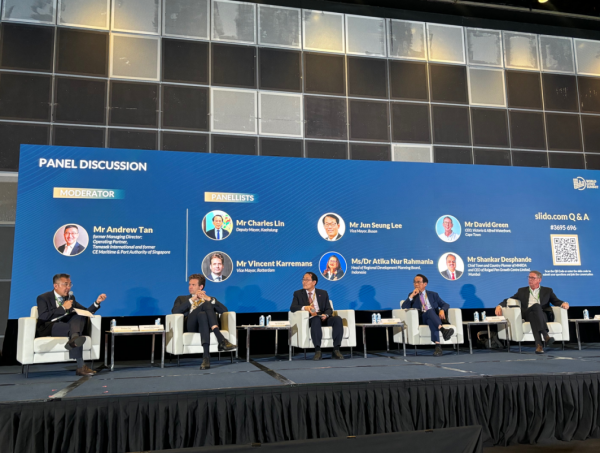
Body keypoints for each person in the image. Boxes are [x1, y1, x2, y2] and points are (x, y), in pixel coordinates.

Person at [36, 273, 106, 376]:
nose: (68, 287)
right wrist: (63, 308)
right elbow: (43, 316)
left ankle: (74, 339)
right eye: (65, 284)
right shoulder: (43, 298)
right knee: (75, 331)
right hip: (50, 326)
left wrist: (97, 302)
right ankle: (80, 366)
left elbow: (85, 312)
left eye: (70, 284)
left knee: (79, 315)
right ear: (56, 286)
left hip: (66, 326)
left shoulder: (70, 297)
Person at [495, 271, 569, 354]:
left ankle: (539, 345)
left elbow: (556, 301)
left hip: (542, 314)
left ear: (539, 280)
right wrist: (499, 306)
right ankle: (545, 335)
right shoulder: (522, 290)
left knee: (534, 314)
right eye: (529, 277)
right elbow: (508, 300)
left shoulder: (547, 290)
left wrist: (563, 303)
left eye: (533, 278)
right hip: (527, 313)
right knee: (536, 306)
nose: (530, 280)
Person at [171, 273, 236, 369]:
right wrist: (192, 299)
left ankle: (206, 358)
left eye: (193, 285)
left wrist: (209, 299)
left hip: (205, 325)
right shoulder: (181, 298)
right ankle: (221, 339)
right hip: (191, 325)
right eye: (189, 284)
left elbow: (224, 310)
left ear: (201, 287)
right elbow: (175, 311)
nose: (190, 287)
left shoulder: (209, 298)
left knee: (203, 314)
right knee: (206, 304)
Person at [290, 272, 344, 360]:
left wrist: (326, 315)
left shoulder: (323, 293)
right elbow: (293, 307)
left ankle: (336, 349)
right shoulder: (298, 293)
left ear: (314, 282)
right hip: (310, 319)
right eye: (303, 279)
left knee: (337, 319)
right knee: (315, 319)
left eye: (307, 280)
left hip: (322, 317)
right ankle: (318, 350)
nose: (304, 282)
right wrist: (305, 308)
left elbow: (328, 309)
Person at [401, 274, 455, 357]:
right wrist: (412, 296)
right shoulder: (412, 295)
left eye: (418, 282)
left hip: (433, 318)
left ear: (425, 284)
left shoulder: (433, 294)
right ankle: (443, 330)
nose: (416, 284)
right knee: (429, 311)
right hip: (421, 318)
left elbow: (445, 304)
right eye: (414, 282)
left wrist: (442, 310)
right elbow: (404, 307)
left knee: (431, 320)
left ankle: (438, 347)